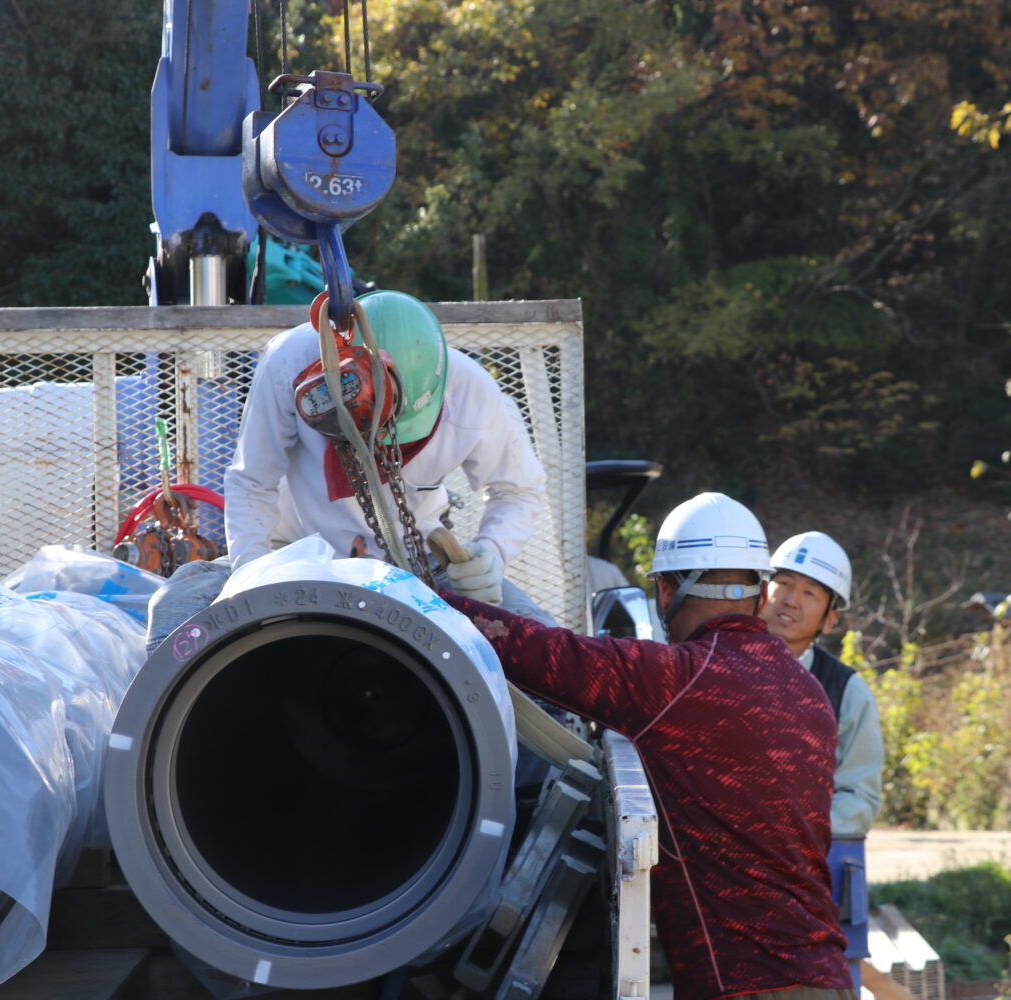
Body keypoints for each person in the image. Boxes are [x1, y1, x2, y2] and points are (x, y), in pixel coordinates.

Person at [443, 493, 856, 1000]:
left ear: (665, 592)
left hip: (744, 986)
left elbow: (531, 650)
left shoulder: (677, 680)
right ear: (762, 591)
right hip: (829, 978)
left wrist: (416, 589)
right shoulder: (809, 691)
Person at [145, 290, 550, 652]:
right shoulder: (291, 360)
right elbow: (252, 481)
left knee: (541, 644)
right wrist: (255, 579)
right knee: (176, 612)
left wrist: (492, 553)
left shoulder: (474, 393)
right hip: (297, 556)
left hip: (421, 569)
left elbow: (519, 490)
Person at [762, 531, 883, 837]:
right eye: (784, 583)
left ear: (829, 620)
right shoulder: (716, 664)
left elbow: (858, 799)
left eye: (809, 593)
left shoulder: (847, 692)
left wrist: (790, 836)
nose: (790, 600)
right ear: (762, 592)